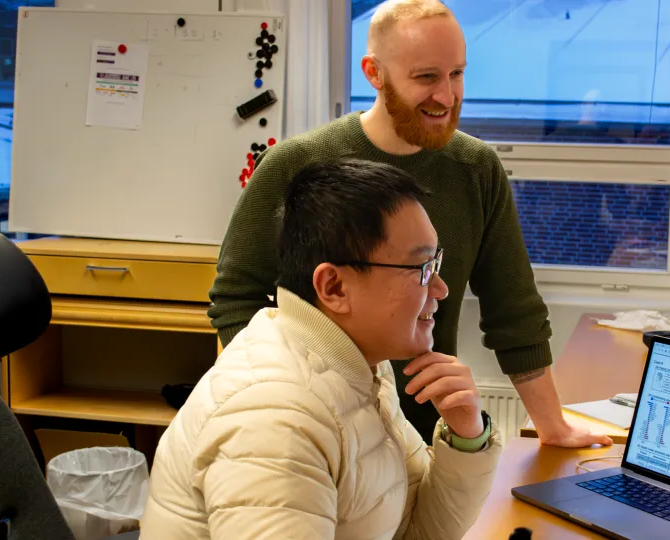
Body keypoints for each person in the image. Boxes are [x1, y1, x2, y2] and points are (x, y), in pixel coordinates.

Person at [207, 0, 611, 448]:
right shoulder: (296, 164)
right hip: (316, 432)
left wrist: (553, 426)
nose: (447, 96)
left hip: (426, 439)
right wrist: (283, 397)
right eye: (426, 77)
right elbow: (236, 295)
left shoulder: (476, 169)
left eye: (456, 74)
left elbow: (514, 311)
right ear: (374, 73)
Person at [141, 159, 501, 539]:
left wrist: (466, 438)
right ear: (334, 288)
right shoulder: (275, 420)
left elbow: (414, 529)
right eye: (421, 269)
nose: (441, 289)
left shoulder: (358, 366)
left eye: (435, 263)